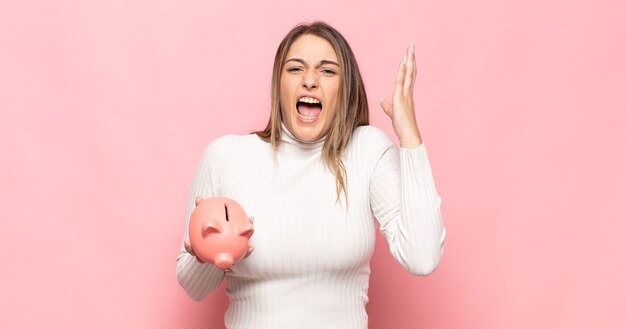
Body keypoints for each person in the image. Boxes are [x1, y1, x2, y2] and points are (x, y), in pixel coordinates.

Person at [176, 21, 446, 329]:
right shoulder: (226, 157)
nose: (310, 81)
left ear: (346, 88)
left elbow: (423, 258)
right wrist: (205, 252)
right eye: (295, 69)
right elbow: (193, 288)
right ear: (278, 83)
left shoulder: (368, 150)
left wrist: (409, 135)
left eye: (327, 71)